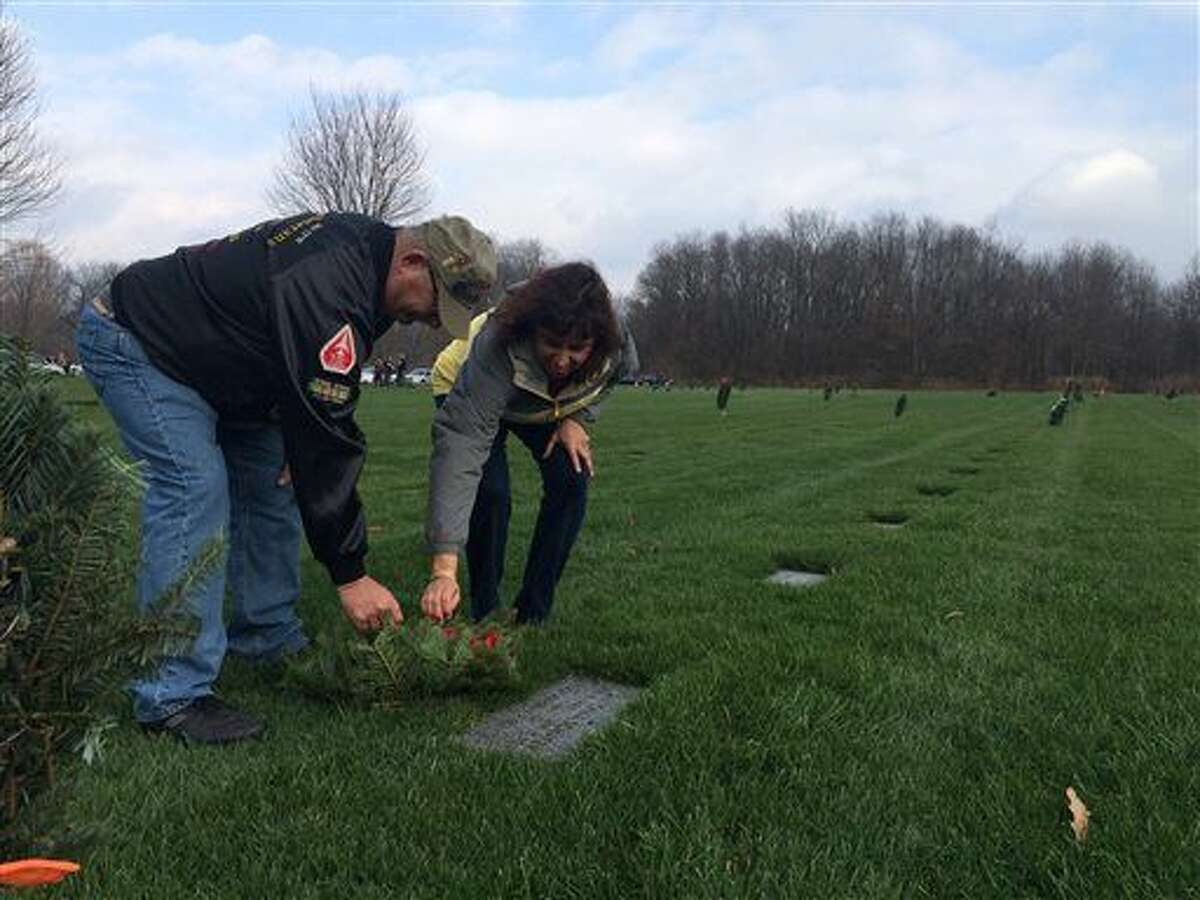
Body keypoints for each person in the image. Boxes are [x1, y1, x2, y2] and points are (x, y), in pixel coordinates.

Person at [75, 213, 496, 744]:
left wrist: (306, 438)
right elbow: (327, 427)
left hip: (229, 368)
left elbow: (315, 395)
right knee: (193, 488)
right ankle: (171, 695)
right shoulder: (328, 280)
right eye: (439, 301)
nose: (437, 320)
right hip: (142, 343)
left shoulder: (373, 264)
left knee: (278, 479)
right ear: (413, 262)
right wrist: (351, 574)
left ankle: (265, 634)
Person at [420, 262, 637, 626]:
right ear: (533, 330)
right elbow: (461, 447)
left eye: (577, 349)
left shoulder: (615, 340)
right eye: (552, 344)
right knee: (490, 491)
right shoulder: (499, 338)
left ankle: (532, 612)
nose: (564, 360)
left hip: (541, 401)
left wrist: (577, 419)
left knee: (572, 476)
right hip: (470, 384)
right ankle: (485, 608)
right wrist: (443, 567)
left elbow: (617, 376)